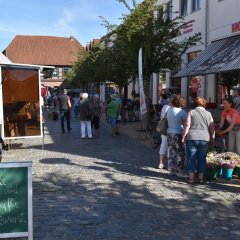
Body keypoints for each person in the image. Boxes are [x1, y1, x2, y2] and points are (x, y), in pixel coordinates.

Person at [182, 97, 215, 184]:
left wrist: (184, 136)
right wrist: (213, 137)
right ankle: (201, 179)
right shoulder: (209, 113)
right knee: (202, 158)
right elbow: (212, 127)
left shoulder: (191, 112)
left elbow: (187, 125)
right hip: (204, 138)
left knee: (191, 158)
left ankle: (191, 179)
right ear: (204, 104)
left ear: (194, 104)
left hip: (192, 137)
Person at [166, 95, 188, 178]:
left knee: (171, 151)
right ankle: (180, 170)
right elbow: (185, 124)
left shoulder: (169, 110)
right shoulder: (182, 112)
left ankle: (171, 169)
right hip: (178, 133)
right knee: (181, 152)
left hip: (169, 132)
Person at [158, 94, 176, 169]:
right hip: (171, 129)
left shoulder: (165, 107)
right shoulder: (173, 109)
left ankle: (161, 163)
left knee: (163, 144)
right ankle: (170, 165)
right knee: (170, 146)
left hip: (164, 128)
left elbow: (161, 117)